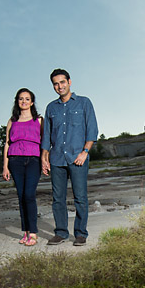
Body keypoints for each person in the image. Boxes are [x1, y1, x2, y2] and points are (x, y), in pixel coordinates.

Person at [40, 68, 99, 246]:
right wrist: (44, 158)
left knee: (80, 197)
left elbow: (92, 130)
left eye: (62, 82)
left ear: (69, 82)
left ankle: (81, 234)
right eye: (56, 84)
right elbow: (47, 136)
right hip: (57, 159)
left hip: (77, 158)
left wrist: (85, 152)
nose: (59, 86)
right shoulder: (51, 107)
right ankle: (61, 233)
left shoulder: (84, 103)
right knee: (58, 198)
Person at [2, 88, 43, 246]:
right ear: (17, 101)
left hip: (33, 160)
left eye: (27, 99)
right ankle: (26, 232)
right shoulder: (12, 121)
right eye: (21, 99)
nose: (24, 101)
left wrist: (45, 160)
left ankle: (33, 233)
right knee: (21, 196)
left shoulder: (38, 120)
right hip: (15, 160)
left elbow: (44, 142)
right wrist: (5, 167)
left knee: (29, 195)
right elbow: (7, 143)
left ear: (32, 102)